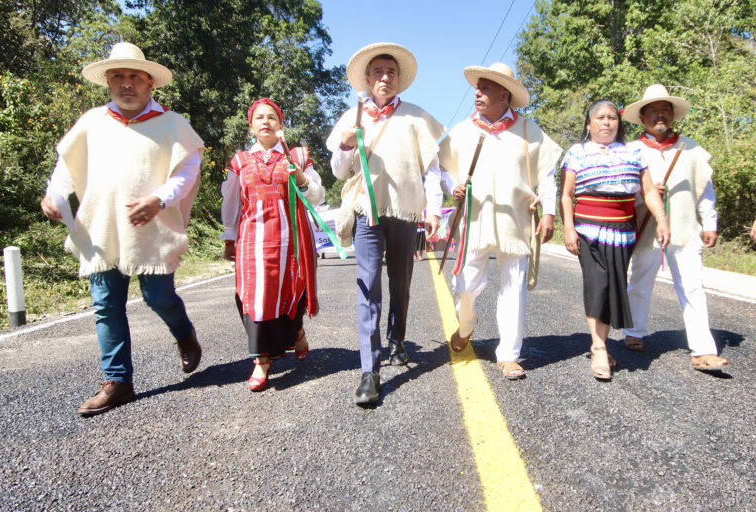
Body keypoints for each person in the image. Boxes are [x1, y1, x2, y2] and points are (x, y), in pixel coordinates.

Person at [39, 42, 204, 416]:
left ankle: (185, 335)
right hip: (101, 228)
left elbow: (186, 171)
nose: (126, 84)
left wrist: (159, 199)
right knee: (106, 305)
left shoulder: (173, 124)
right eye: (118, 77)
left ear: (149, 83)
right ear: (108, 83)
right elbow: (66, 168)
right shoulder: (91, 123)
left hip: (153, 226)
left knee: (158, 297)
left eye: (134, 76)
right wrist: (54, 196)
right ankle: (118, 382)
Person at [326, 43, 445, 405]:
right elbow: (339, 171)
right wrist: (346, 146)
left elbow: (433, 171)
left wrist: (435, 211)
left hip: (406, 211)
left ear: (399, 80)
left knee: (401, 281)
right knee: (368, 284)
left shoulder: (416, 118)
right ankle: (369, 370)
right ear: (366, 79)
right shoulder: (352, 116)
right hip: (367, 211)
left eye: (391, 72)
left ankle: (397, 339)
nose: (384, 78)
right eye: (377, 72)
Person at [439, 62, 562, 380]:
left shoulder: (528, 131)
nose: (478, 93)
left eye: (486, 88)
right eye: (478, 88)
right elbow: (443, 169)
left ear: (505, 94)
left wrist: (549, 210)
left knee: (514, 287)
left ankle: (508, 355)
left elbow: (547, 174)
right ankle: (466, 325)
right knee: (465, 285)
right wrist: (450, 186)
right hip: (474, 220)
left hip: (516, 220)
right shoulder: (463, 131)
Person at [560, 98, 670, 381]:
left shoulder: (633, 152)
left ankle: (601, 342)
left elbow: (647, 192)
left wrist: (661, 218)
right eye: (600, 117)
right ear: (589, 124)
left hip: (623, 232)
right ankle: (598, 347)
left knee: (612, 287)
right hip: (588, 229)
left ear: (618, 123)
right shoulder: (577, 152)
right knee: (598, 285)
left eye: (611, 117)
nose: (606, 122)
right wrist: (569, 229)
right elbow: (567, 195)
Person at [622, 84, 729, 371]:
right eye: (654, 111)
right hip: (645, 228)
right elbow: (619, 191)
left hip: (684, 228)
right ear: (642, 117)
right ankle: (634, 332)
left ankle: (703, 350)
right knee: (640, 283)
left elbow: (704, 189)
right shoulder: (631, 150)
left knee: (693, 287)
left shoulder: (690, 148)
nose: (660, 115)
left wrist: (710, 222)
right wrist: (643, 192)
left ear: (672, 115)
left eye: (665, 110)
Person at [220, 98, 324, 392]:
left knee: (290, 292)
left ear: (280, 125)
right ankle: (261, 361)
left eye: (272, 117)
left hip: (292, 240)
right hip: (252, 240)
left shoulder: (297, 156)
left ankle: (297, 331)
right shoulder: (240, 161)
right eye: (259, 118)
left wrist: (302, 179)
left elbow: (317, 196)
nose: (265, 122)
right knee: (254, 296)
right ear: (251, 126)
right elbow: (231, 202)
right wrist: (229, 237)